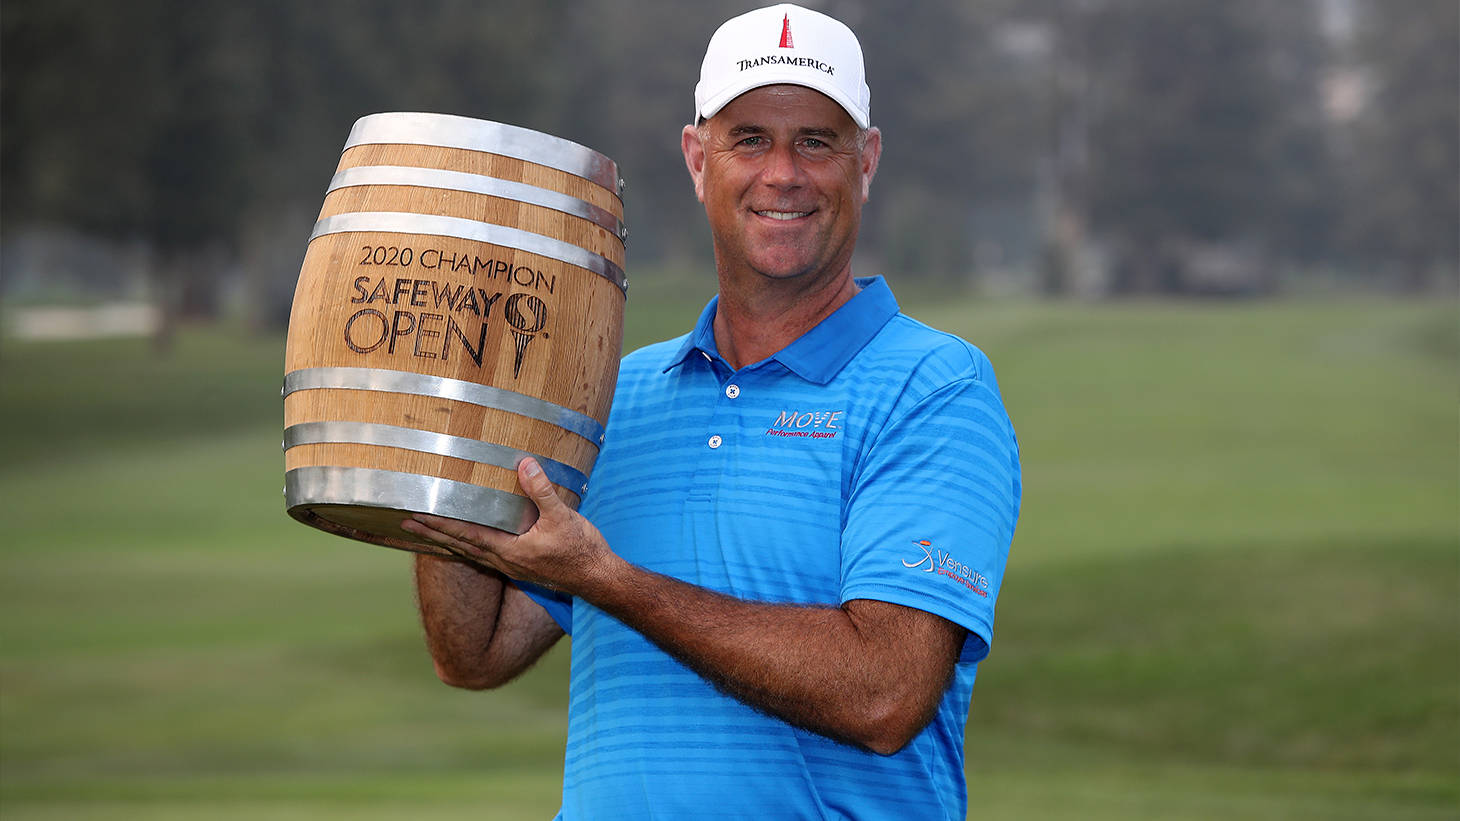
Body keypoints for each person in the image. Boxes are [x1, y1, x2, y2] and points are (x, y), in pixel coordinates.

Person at [404, 4, 1021, 819]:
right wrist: (454, 420)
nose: (783, 174)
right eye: (751, 139)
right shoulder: (614, 395)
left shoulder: (935, 388)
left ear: (865, 162)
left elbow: (885, 693)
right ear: (698, 159)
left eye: (817, 141)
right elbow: (474, 651)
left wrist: (608, 579)